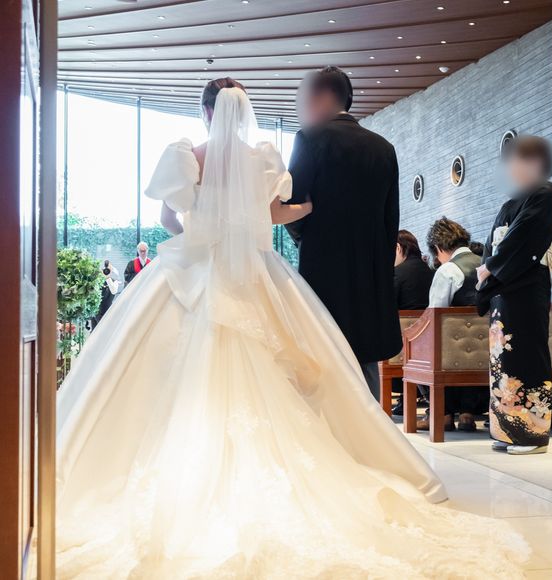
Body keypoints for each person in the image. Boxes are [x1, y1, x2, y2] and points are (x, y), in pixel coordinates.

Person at [54, 78, 526, 578]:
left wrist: (203, 222)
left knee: (158, 365)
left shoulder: (186, 155)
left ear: (206, 112)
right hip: (256, 276)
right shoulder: (261, 158)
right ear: (244, 111)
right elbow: (279, 212)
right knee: (292, 357)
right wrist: (301, 211)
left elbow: (169, 221)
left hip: (194, 270)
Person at [285, 66, 401, 402]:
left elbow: (292, 205)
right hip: (369, 275)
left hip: (322, 272)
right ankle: (371, 427)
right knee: (365, 361)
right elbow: (390, 220)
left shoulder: (309, 139)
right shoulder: (384, 148)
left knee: (324, 358)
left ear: (322, 97)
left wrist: (306, 239)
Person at [477, 135, 552, 455]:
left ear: (536, 164)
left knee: (526, 354)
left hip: (525, 286)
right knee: (503, 359)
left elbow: (524, 237)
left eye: (518, 161)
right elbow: (493, 243)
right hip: (503, 290)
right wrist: (488, 267)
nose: (512, 168)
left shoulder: (545, 194)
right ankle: (507, 430)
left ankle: (532, 435)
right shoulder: (510, 203)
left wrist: (492, 267)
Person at [416, 217, 487, 432]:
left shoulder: (447, 270)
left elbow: (434, 316)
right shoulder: (487, 264)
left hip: (451, 356)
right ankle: (467, 414)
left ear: (438, 248)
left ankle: (443, 414)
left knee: (422, 348)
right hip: (488, 350)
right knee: (470, 348)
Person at [391, 230, 433, 415]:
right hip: (432, 341)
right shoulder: (432, 272)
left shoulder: (396, 274)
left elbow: (388, 306)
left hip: (402, 344)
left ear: (398, 248)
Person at [92, 260, 120, 327]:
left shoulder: (114, 281)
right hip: (96, 313)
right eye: (104, 269)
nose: (106, 271)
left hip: (108, 313)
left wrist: (108, 278)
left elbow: (113, 291)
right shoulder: (97, 281)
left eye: (108, 270)